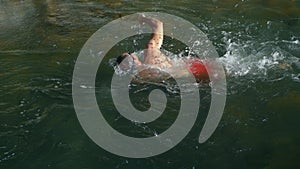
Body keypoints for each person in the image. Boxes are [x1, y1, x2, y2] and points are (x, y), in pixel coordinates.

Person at [115, 14, 210, 82]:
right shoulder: (151, 51)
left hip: (192, 76)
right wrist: (141, 18)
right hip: (195, 67)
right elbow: (157, 24)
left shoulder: (139, 78)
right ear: (133, 56)